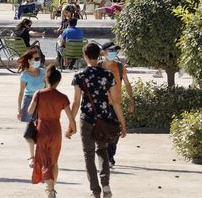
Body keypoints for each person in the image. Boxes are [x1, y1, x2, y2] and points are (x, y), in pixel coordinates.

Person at [70, 43, 127, 198]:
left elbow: (75, 102)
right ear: (99, 55)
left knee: (88, 155)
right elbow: (115, 101)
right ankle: (106, 184)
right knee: (102, 151)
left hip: (86, 119)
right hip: (104, 119)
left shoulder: (79, 76)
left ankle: (95, 191)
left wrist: (71, 122)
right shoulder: (107, 75)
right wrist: (122, 123)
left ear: (85, 56)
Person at [29, 65, 75, 198]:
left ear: (46, 79)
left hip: (42, 129)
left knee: (45, 160)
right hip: (56, 130)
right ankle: (51, 187)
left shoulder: (39, 93)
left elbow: (30, 111)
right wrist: (72, 129)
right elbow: (70, 117)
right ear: (58, 81)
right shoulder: (63, 97)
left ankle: (50, 190)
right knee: (53, 161)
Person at [100, 42, 135, 167]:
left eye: (115, 51)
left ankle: (110, 156)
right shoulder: (98, 66)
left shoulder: (120, 67)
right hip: (101, 105)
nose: (113, 53)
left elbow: (127, 84)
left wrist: (131, 99)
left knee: (115, 132)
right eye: (111, 50)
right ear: (103, 52)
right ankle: (105, 157)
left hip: (116, 104)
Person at [16, 49, 46, 167]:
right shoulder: (24, 75)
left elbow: (48, 88)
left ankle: (41, 155)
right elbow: (21, 93)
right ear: (29, 61)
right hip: (29, 101)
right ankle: (32, 157)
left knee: (42, 130)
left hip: (42, 101)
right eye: (36, 59)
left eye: (39, 59)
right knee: (31, 130)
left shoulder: (43, 72)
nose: (39, 61)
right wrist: (19, 109)